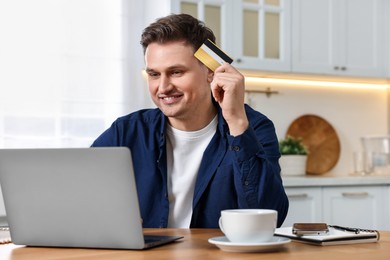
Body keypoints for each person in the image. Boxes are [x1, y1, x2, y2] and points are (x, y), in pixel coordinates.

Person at [92, 13, 289, 228]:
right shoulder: (127, 131)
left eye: (176, 72)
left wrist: (237, 122)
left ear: (211, 72)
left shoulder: (252, 127)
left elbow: (271, 215)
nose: (163, 87)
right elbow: (82, 191)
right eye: (154, 75)